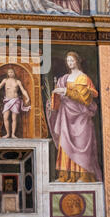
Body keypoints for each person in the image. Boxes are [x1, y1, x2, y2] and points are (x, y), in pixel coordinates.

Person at [46, 51, 102, 183]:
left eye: (72, 60)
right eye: (68, 61)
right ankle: (66, 175)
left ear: (77, 61)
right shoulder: (64, 79)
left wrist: (65, 91)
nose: (70, 63)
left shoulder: (83, 78)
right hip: (65, 116)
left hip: (81, 117)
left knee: (82, 144)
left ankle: (83, 175)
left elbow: (85, 99)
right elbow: (57, 99)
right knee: (65, 145)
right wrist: (52, 101)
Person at [0, 68, 30, 139]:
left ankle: (13, 134)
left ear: (14, 73)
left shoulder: (17, 81)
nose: (10, 73)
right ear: (7, 73)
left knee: (14, 118)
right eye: (9, 72)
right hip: (7, 100)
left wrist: (27, 97)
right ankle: (7, 134)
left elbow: (23, 90)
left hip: (15, 100)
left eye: (12, 72)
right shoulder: (5, 80)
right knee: (5, 117)